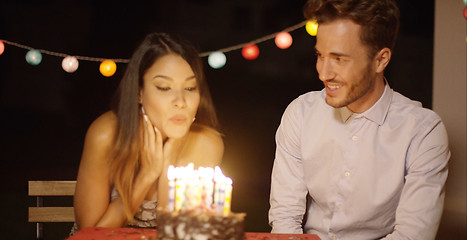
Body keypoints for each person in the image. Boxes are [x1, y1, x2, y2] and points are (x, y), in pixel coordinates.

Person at [268, 0, 450, 239]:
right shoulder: (301, 113)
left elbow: (411, 235)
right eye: (319, 55)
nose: (323, 73)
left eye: (339, 59)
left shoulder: (424, 132)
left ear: (380, 60)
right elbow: (285, 216)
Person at [72, 32, 224, 232]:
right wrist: (146, 176)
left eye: (189, 88)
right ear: (138, 92)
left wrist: (168, 165)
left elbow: (177, 233)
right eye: (164, 87)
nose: (180, 102)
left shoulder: (206, 144)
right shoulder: (106, 135)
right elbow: (90, 234)